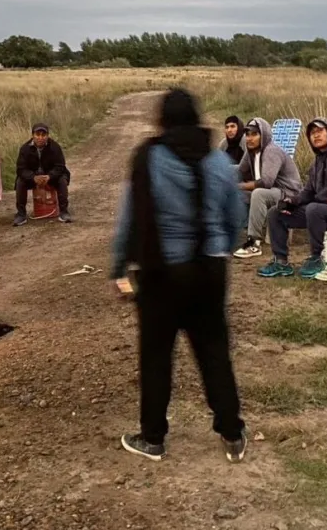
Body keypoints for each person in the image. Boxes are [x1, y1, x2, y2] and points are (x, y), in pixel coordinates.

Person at [110, 88, 247, 463]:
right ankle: (232, 434)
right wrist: (222, 249)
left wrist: (118, 266)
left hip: (160, 273)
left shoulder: (148, 157)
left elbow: (128, 219)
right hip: (209, 269)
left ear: (163, 119)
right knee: (214, 352)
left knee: (156, 356)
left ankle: (153, 438)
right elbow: (236, 216)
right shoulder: (218, 161)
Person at [258, 118, 327, 278]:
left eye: (320, 131)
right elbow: (308, 192)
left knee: (314, 208)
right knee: (276, 212)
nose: (316, 135)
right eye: (312, 133)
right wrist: (293, 202)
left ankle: (316, 258)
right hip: (320, 214)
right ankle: (281, 262)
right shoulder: (316, 164)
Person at [232, 118, 303, 259]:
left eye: (254, 134)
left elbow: (266, 182)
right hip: (272, 192)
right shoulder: (251, 152)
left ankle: (253, 243)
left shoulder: (271, 151)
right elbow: (239, 171)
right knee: (236, 193)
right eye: (248, 134)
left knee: (258, 194)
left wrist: (240, 186)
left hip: (288, 194)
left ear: (263, 135)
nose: (250, 138)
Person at [14, 123, 72, 225]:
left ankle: (64, 211)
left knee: (62, 180)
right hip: (33, 177)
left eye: (43, 135)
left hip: (50, 176)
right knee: (20, 181)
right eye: (37, 134)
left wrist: (50, 176)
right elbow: (21, 169)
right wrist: (33, 177)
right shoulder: (25, 149)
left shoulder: (55, 147)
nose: (40, 138)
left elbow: (60, 166)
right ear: (33, 135)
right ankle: (21, 214)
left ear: (47, 136)